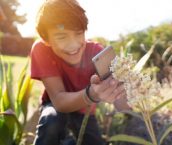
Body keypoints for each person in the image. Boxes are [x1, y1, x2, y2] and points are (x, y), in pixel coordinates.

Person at [30, 0, 129, 145]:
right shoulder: (41, 49)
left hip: (85, 111)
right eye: (62, 37)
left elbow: (123, 105)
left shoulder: (97, 52)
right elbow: (59, 101)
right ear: (46, 39)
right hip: (55, 106)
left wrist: (123, 88)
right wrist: (92, 94)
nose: (74, 44)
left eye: (78, 33)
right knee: (51, 121)